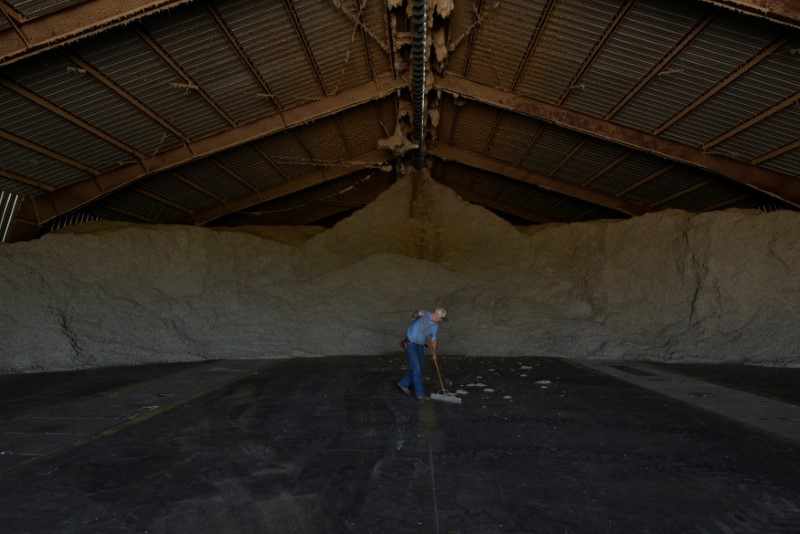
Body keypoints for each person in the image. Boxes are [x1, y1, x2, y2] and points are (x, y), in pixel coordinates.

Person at [397, 307, 447, 400]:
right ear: (437, 315)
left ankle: (403, 383)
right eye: (441, 318)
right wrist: (418, 313)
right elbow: (415, 314)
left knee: (418, 368)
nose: (441, 320)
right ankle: (420, 394)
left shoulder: (435, 326)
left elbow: (433, 339)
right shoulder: (424, 314)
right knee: (417, 370)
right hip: (410, 344)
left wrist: (434, 352)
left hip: (420, 347)